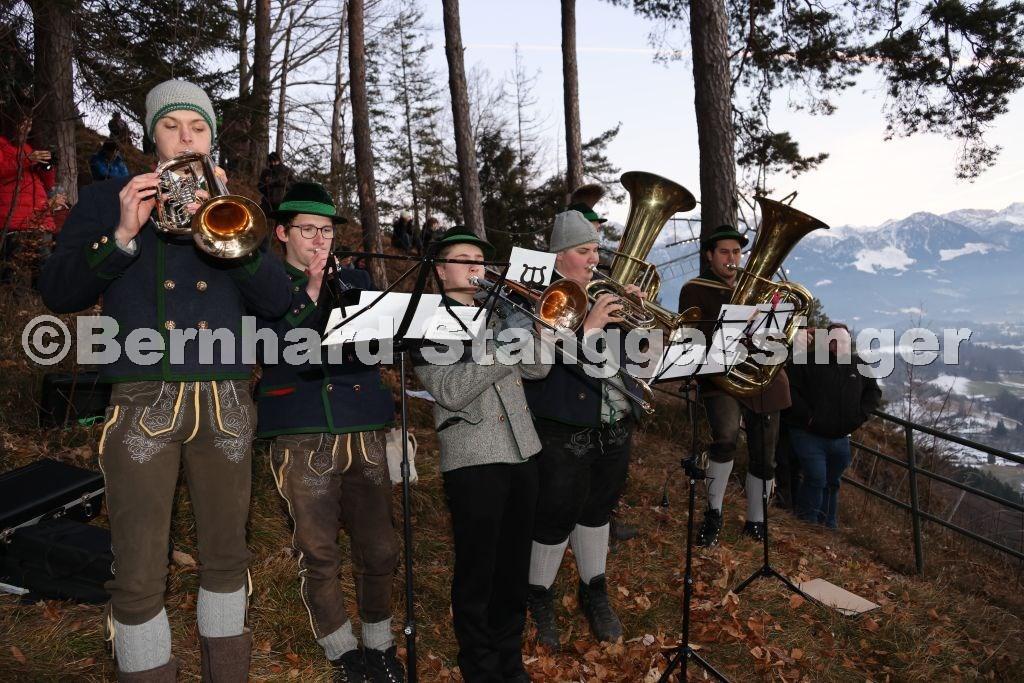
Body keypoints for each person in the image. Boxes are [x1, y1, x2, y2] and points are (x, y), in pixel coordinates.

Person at [39, 79, 292, 682]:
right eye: (173, 126)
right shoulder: (107, 198)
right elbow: (57, 291)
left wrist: (238, 241)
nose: (187, 138)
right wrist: (122, 235)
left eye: (198, 128)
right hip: (143, 396)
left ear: (211, 140)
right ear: (153, 136)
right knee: (138, 570)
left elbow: (279, 301)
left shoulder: (230, 204)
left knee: (227, 557)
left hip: (226, 398)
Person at [257, 181, 405, 683]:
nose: (320, 240)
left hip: (362, 424)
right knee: (318, 551)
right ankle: (342, 651)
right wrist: (313, 291)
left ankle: (380, 642)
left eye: (326, 230)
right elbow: (276, 347)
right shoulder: (264, 282)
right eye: (308, 230)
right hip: (301, 428)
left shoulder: (356, 278)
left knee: (380, 546)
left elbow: (375, 345)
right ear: (282, 233)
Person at [414, 226, 550, 682]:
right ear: (440, 270)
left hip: (523, 452)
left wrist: (537, 328)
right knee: (478, 572)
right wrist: (505, 347)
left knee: (513, 569)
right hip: (472, 457)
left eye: (481, 260)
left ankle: (509, 662)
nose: (477, 267)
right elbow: (451, 390)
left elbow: (538, 368)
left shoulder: (497, 314)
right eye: (464, 259)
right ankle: (479, 666)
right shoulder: (426, 323)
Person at [524, 210, 646, 649]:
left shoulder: (602, 292)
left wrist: (633, 314)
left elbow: (634, 357)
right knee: (555, 515)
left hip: (613, 421)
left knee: (598, 511)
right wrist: (591, 324)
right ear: (559, 256)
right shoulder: (541, 296)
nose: (594, 259)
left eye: (595, 249)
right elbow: (536, 365)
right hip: (563, 426)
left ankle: (594, 590)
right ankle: (538, 595)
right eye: (583, 251)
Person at [677, 225, 793, 547]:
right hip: (721, 376)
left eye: (737, 252)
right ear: (709, 255)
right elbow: (690, 336)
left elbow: (778, 334)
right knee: (725, 439)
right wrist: (734, 325)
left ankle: (756, 521)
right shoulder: (694, 289)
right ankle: (713, 513)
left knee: (765, 456)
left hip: (763, 375)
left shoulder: (759, 287)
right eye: (724, 252)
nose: (732, 258)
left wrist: (780, 324)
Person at [785, 323, 881, 528]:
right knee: (816, 478)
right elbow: (790, 390)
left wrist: (858, 417)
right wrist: (808, 417)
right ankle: (806, 524)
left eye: (843, 341)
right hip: (809, 434)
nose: (838, 346)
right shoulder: (807, 362)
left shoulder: (858, 364)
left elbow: (873, 393)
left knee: (832, 482)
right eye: (834, 341)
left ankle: (828, 525)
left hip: (840, 438)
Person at [1, 115, 56, 284]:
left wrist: (47, 167)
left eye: (30, 125)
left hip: (39, 217)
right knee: (13, 274)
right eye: (23, 123)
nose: (27, 128)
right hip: (14, 219)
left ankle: (45, 299)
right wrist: (26, 160)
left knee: (45, 269)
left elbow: (48, 184)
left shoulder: (29, 148)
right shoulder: (2, 145)